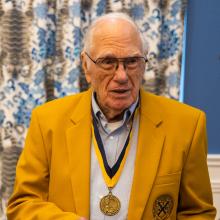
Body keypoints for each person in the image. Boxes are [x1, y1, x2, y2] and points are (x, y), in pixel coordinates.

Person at [7, 12, 216, 220]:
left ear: (144, 64)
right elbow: (22, 204)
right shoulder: (47, 121)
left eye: (132, 61)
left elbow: (198, 213)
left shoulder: (187, 125)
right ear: (86, 65)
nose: (122, 76)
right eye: (108, 61)